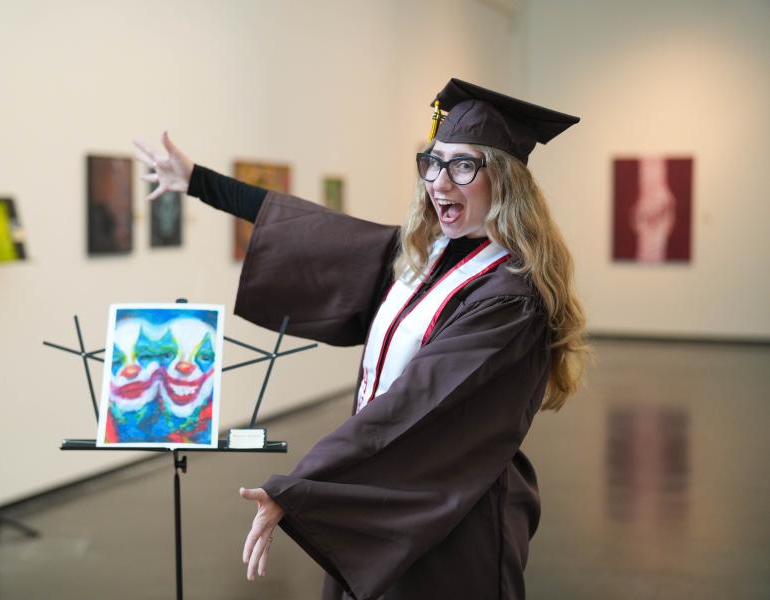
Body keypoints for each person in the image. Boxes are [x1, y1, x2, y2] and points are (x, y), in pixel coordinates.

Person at [134, 78, 589, 600]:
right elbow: (314, 231)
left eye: (463, 165)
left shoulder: (509, 298)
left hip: (450, 510)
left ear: (505, 181)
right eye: (433, 162)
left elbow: (416, 403)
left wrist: (304, 480)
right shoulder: (424, 258)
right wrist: (199, 182)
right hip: (381, 486)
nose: (439, 182)